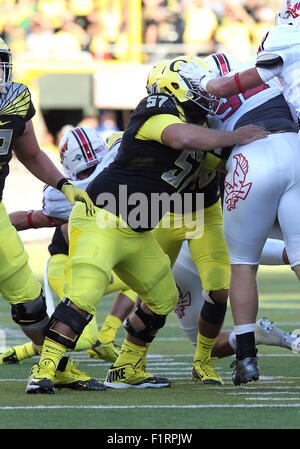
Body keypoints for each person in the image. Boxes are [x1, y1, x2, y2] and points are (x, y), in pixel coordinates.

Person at [25, 55, 268, 394]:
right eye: (196, 86)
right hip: (104, 217)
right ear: (174, 86)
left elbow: (217, 161)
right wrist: (235, 135)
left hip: (138, 227)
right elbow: (180, 137)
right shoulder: (156, 109)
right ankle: (46, 369)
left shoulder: (202, 123)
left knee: (163, 296)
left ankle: (128, 366)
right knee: (84, 295)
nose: (204, 93)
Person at [178, 45, 300, 384]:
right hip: (295, 149)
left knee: (242, 262)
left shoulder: (205, 96)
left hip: (250, 156)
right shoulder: (268, 73)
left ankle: (246, 358)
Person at [0, 38, 104, 391]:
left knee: (29, 301)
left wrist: (62, 183)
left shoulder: (15, 99)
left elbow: (29, 154)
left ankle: (55, 366)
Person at [2, 127, 137, 365]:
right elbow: (36, 220)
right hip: (67, 264)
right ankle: (22, 351)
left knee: (143, 278)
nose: (93, 176)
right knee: (81, 338)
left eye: (95, 168)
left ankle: (107, 337)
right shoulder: (67, 196)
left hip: (99, 262)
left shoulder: (119, 163)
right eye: (84, 173)